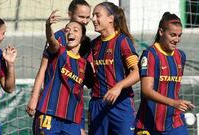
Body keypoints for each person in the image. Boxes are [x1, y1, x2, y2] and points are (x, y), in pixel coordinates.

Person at [26, 0, 91, 134]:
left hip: (72, 111)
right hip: (51, 106)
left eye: (87, 17)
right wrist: (34, 97)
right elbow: (43, 68)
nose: (84, 21)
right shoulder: (59, 40)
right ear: (70, 14)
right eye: (81, 16)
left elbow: (82, 85)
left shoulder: (85, 46)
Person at [135, 12, 195, 135]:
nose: (176, 40)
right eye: (173, 35)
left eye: (179, 35)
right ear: (161, 32)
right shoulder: (150, 54)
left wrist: (178, 102)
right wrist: (174, 103)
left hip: (174, 120)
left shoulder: (180, 56)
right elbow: (146, 90)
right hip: (150, 122)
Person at [88, 2, 139, 135]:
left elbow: (137, 72)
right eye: (93, 15)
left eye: (97, 15)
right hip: (97, 104)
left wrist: (118, 86)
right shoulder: (93, 45)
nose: (93, 19)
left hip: (120, 103)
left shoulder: (122, 41)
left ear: (111, 18)